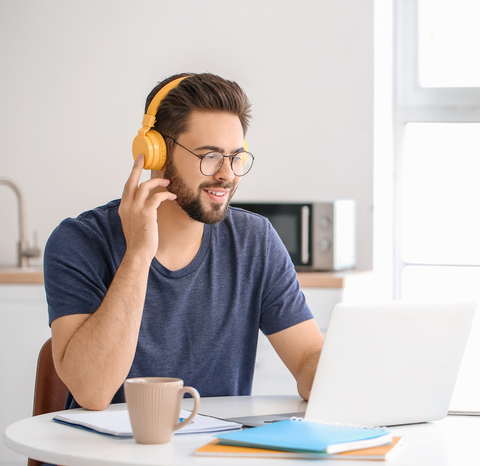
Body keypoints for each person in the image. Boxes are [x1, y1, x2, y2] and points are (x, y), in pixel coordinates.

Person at [44, 72, 324, 411]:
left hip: (211, 453)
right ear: (156, 154)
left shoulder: (256, 241)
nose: (227, 174)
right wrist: (138, 254)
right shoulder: (80, 241)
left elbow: (308, 356)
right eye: (209, 156)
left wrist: (339, 372)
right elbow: (93, 391)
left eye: (236, 157)